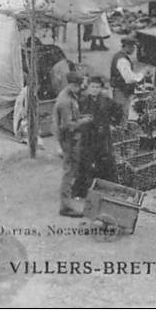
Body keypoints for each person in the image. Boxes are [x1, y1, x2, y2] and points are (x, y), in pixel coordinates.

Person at [54, 73, 89, 217]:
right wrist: (84, 121)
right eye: (79, 86)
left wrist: (81, 117)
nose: (81, 88)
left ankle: (67, 201)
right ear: (74, 85)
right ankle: (65, 206)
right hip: (68, 138)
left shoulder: (69, 95)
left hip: (70, 137)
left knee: (72, 168)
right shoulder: (65, 101)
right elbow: (68, 125)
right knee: (68, 171)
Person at [110, 35, 147, 121]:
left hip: (120, 90)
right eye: (133, 47)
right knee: (122, 115)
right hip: (121, 91)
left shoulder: (119, 56)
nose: (133, 50)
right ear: (127, 47)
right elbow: (129, 79)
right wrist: (142, 73)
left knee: (122, 114)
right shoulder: (122, 60)